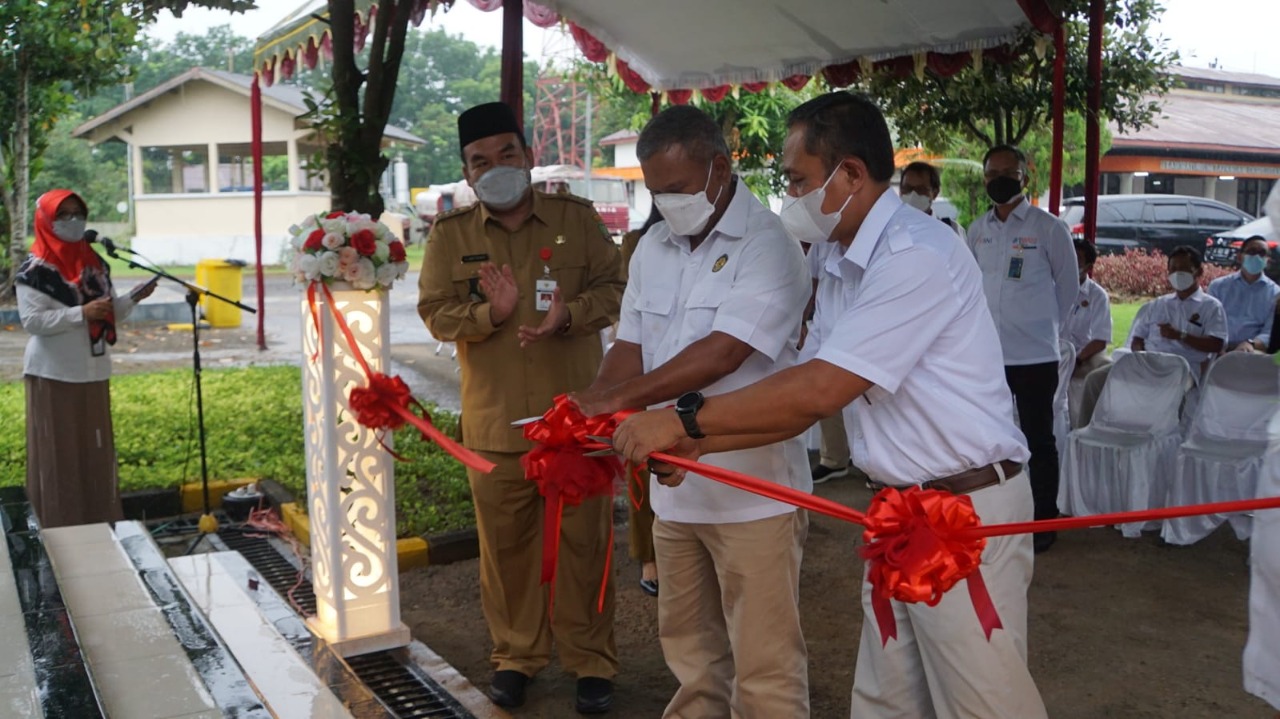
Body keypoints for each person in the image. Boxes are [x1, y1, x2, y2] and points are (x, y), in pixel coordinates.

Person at [612, 91, 1046, 719]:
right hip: (900, 512)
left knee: (984, 705)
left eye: (797, 179)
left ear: (849, 174)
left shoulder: (913, 256)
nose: (790, 197)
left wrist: (680, 422)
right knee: (885, 702)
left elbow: (820, 388)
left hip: (961, 514)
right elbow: (800, 397)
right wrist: (697, 444)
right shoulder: (841, 261)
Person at [572, 105, 813, 719]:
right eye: (655, 192)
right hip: (675, 491)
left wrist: (619, 400)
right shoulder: (654, 244)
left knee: (765, 671)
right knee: (692, 662)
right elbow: (629, 348)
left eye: (676, 190)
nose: (666, 203)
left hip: (753, 492)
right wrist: (590, 409)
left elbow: (724, 352)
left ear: (720, 168)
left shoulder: (770, 243)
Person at [416, 101, 625, 714]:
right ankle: (516, 657)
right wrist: (492, 315)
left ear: (528, 156)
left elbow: (614, 290)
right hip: (495, 426)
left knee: (585, 547)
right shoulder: (452, 236)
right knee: (505, 554)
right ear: (467, 172)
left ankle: (591, 661)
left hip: (573, 425)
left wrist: (571, 315)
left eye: (506, 153)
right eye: (480, 161)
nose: (495, 167)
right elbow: (434, 311)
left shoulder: (575, 221)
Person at [17, 189, 157, 528]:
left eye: (78, 213)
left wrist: (133, 298)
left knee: (94, 454)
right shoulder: (35, 270)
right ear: (45, 220)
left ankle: (100, 524)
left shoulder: (95, 264)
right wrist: (81, 312)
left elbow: (106, 314)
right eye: (63, 214)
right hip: (54, 374)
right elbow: (33, 322)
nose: (73, 221)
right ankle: (59, 528)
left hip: (93, 370)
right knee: (59, 456)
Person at [967, 144, 1077, 553]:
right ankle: (992, 515)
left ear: (1024, 177)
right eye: (992, 172)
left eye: (1007, 173)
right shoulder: (978, 230)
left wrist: (1044, 329)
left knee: (1038, 439)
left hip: (1034, 356)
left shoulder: (1049, 228)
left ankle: (1043, 520)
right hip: (989, 355)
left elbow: (1068, 288)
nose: (999, 180)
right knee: (986, 438)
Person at [618, 203, 664, 597]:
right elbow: (625, 315)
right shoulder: (639, 243)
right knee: (642, 469)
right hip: (641, 373)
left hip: (697, 378)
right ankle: (648, 556)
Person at [1130, 246, 1227, 376]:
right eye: (1173, 269)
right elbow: (1137, 339)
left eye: (1184, 269)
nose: (1178, 274)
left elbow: (1217, 345)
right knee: (1101, 379)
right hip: (1148, 363)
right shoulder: (1158, 304)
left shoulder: (1211, 307)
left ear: (1199, 272)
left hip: (1184, 368)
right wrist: (1141, 358)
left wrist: (1181, 336)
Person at [805, 238, 854, 484]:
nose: (793, 197)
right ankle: (834, 458)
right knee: (822, 390)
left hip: (866, 343)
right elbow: (811, 286)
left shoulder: (910, 248)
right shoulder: (822, 244)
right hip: (829, 337)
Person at [1062, 239, 1112, 427]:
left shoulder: (1097, 296)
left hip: (1084, 355)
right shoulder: (1053, 288)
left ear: (1089, 265)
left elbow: (1100, 340)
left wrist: (1078, 359)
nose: (1072, 263)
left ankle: (1078, 427)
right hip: (1057, 352)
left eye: (1078, 259)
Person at [1207, 236, 1279, 353]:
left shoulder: (1275, 293)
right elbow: (1209, 322)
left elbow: (1270, 332)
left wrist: (1250, 344)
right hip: (1217, 349)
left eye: (1262, 253)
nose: (1256, 256)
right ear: (1240, 257)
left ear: (1267, 260)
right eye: (1251, 251)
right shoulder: (1218, 287)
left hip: (1252, 352)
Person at [899, 160, 965, 238]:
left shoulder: (952, 231)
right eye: (907, 188)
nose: (913, 194)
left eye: (921, 190)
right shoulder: (889, 229)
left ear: (935, 193)